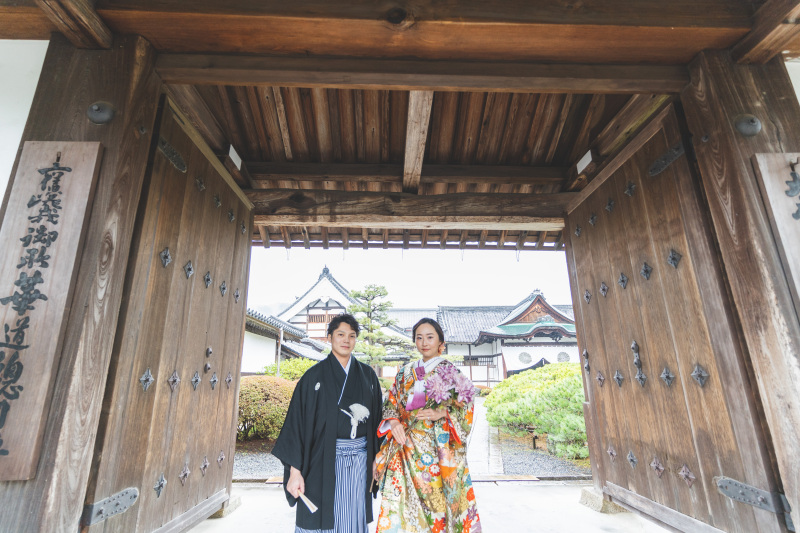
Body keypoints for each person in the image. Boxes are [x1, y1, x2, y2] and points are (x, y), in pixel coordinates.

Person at [272, 314, 383, 533]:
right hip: (320, 461)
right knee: (319, 515)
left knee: (352, 516)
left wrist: (376, 459)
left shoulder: (369, 376)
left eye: (352, 336)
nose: (346, 340)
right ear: (329, 337)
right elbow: (297, 426)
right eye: (340, 334)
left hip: (359, 462)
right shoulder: (313, 378)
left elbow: (378, 423)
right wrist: (295, 472)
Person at [374, 318, 481, 533]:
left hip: (436, 450)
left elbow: (467, 404)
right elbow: (391, 401)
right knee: (401, 503)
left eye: (430, 337)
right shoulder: (405, 372)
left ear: (440, 342)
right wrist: (394, 422)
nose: (424, 342)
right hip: (406, 447)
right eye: (419, 337)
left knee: (437, 504)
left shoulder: (450, 372)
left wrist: (441, 412)